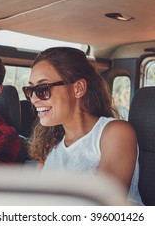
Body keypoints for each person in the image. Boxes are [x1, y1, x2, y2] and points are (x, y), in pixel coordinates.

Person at [23, 47, 143, 205]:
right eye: (30, 90)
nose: (33, 99)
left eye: (42, 89)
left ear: (78, 88)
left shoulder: (114, 133)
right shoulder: (50, 144)